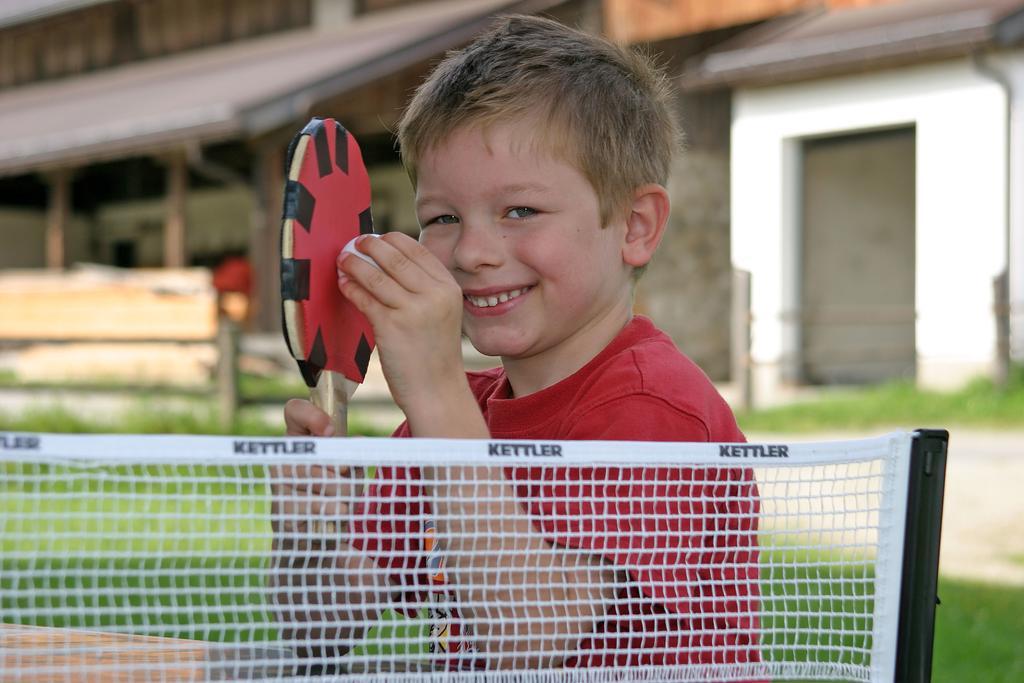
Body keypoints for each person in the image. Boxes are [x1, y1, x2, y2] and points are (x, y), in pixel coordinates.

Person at [272, 14, 760, 673]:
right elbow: (320, 628)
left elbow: (531, 636)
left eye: (519, 211)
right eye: (442, 218)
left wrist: (436, 389)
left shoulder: (651, 406)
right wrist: (306, 533)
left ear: (635, 226)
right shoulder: (446, 421)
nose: (472, 251)